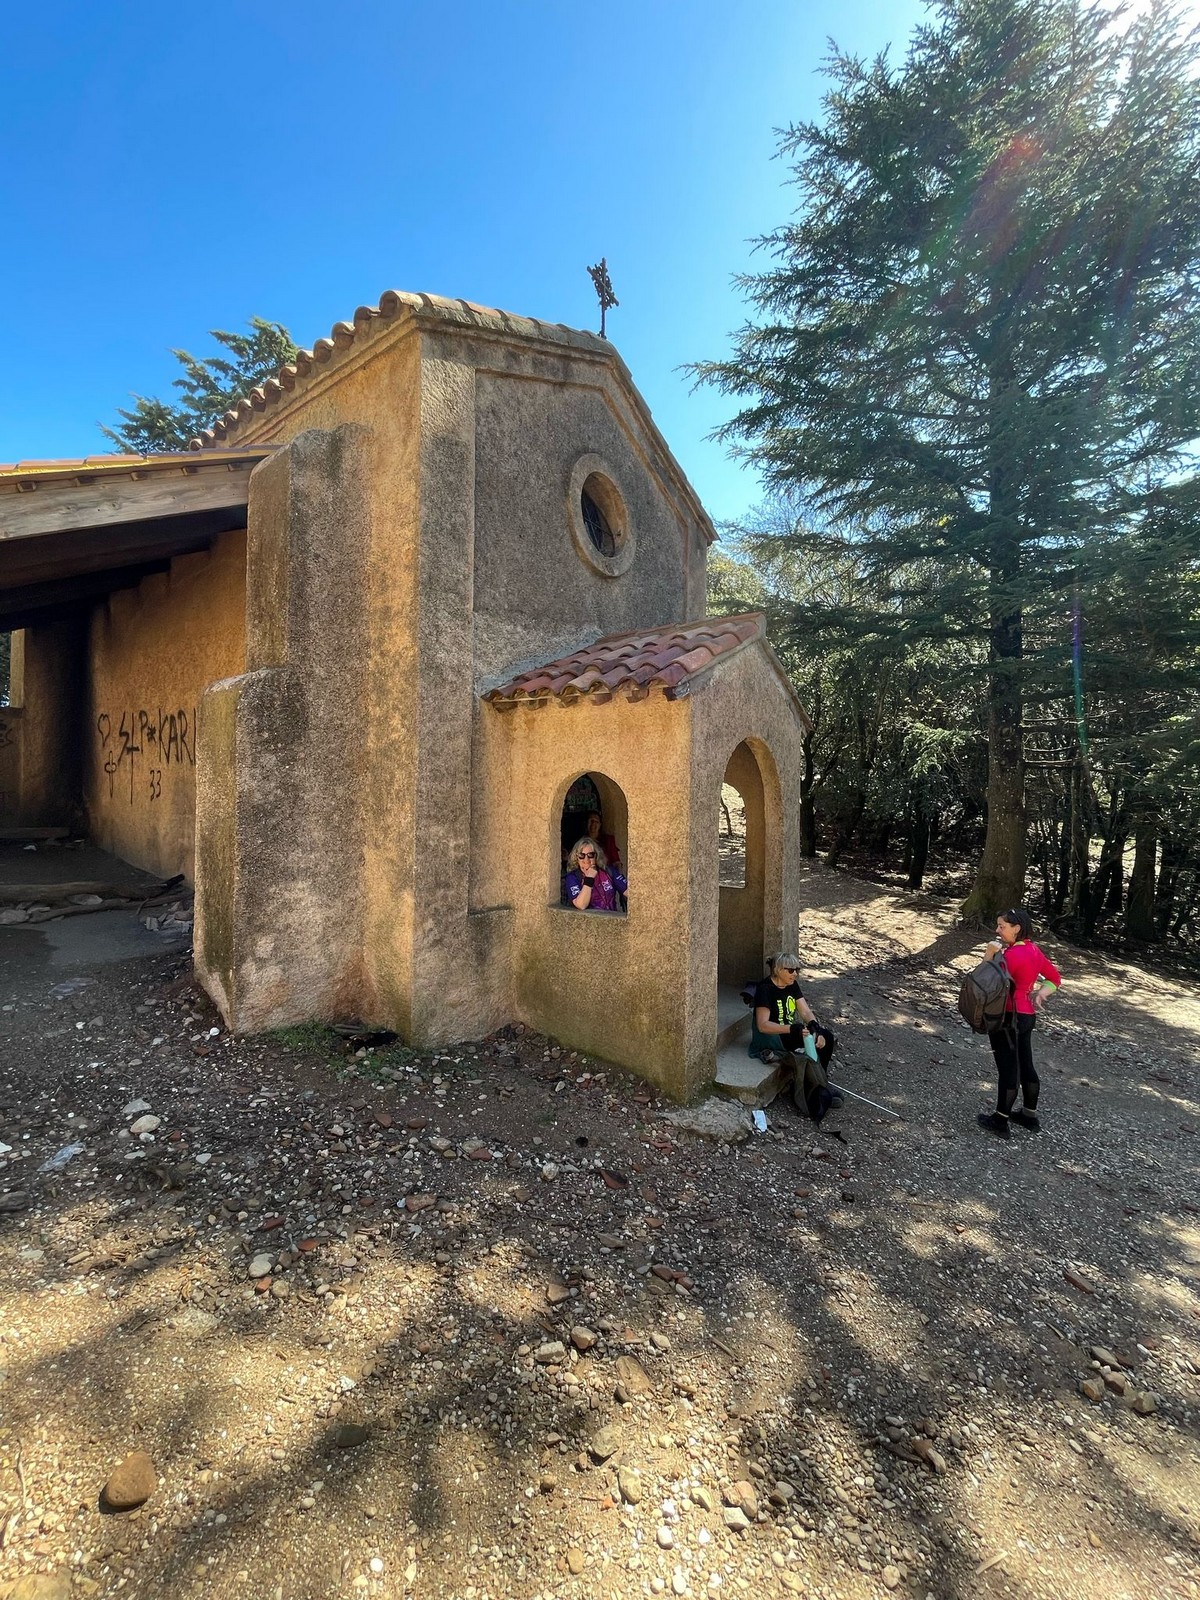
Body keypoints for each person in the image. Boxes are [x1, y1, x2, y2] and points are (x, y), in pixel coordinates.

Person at [978, 905, 1062, 1139]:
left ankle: (1000, 1120)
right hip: (1027, 1015)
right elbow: (1055, 978)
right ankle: (1029, 1115)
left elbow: (984, 981)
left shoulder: (1010, 955)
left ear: (1016, 928)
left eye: (1002, 926)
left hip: (1007, 1016)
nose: (997, 930)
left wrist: (989, 954)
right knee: (1026, 1064)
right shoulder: (1034, 950)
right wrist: (1041, 993)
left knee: (1008, 1069)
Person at [750, 952, 840, 1120]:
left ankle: (820, 1082)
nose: (795, 974)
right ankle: (811, 1090)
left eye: (797, 970)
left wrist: (815, 1027)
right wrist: (792, 1029)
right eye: (790, 970)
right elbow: (763, 1026)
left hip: (790, 1030)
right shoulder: (765, 989)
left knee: (825, 1037)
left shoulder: (791, 984)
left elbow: (805, 1011)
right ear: (778, 970)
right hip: (772, 1035)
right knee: (805, 1040)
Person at [563, 836, 628, 912]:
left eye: (590, 855)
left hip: (611, 918)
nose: (586, 860)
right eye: (581, 855)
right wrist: (589, 879)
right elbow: (581, 905)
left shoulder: (609, 871)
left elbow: (630, 892)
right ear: (576, 858)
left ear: (596, 856)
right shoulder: (573, 877)